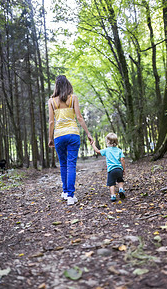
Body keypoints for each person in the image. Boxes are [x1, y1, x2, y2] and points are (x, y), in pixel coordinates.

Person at [48, 75, 93, 205]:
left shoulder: (51, 101)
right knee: (71, 164)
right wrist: (88, 133)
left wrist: (50, 138)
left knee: (63, 164)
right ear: (67, 84)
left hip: (59, 136)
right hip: (73, 134)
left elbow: (51, 121)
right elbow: (79, 118)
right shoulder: (73, 98)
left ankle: (65, 191)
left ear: (56, 86)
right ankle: (70, 196)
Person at [91, 132, 126, 202]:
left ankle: (113, 195)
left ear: (108, 142)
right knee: (120, 180)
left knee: (111, 183)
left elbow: (97, 151)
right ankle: (121, 189)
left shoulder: (106, 150)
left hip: (111, 170)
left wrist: (93, 144)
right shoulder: (119, 150)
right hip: (119, 169)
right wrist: (123, 169)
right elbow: (122, 159)